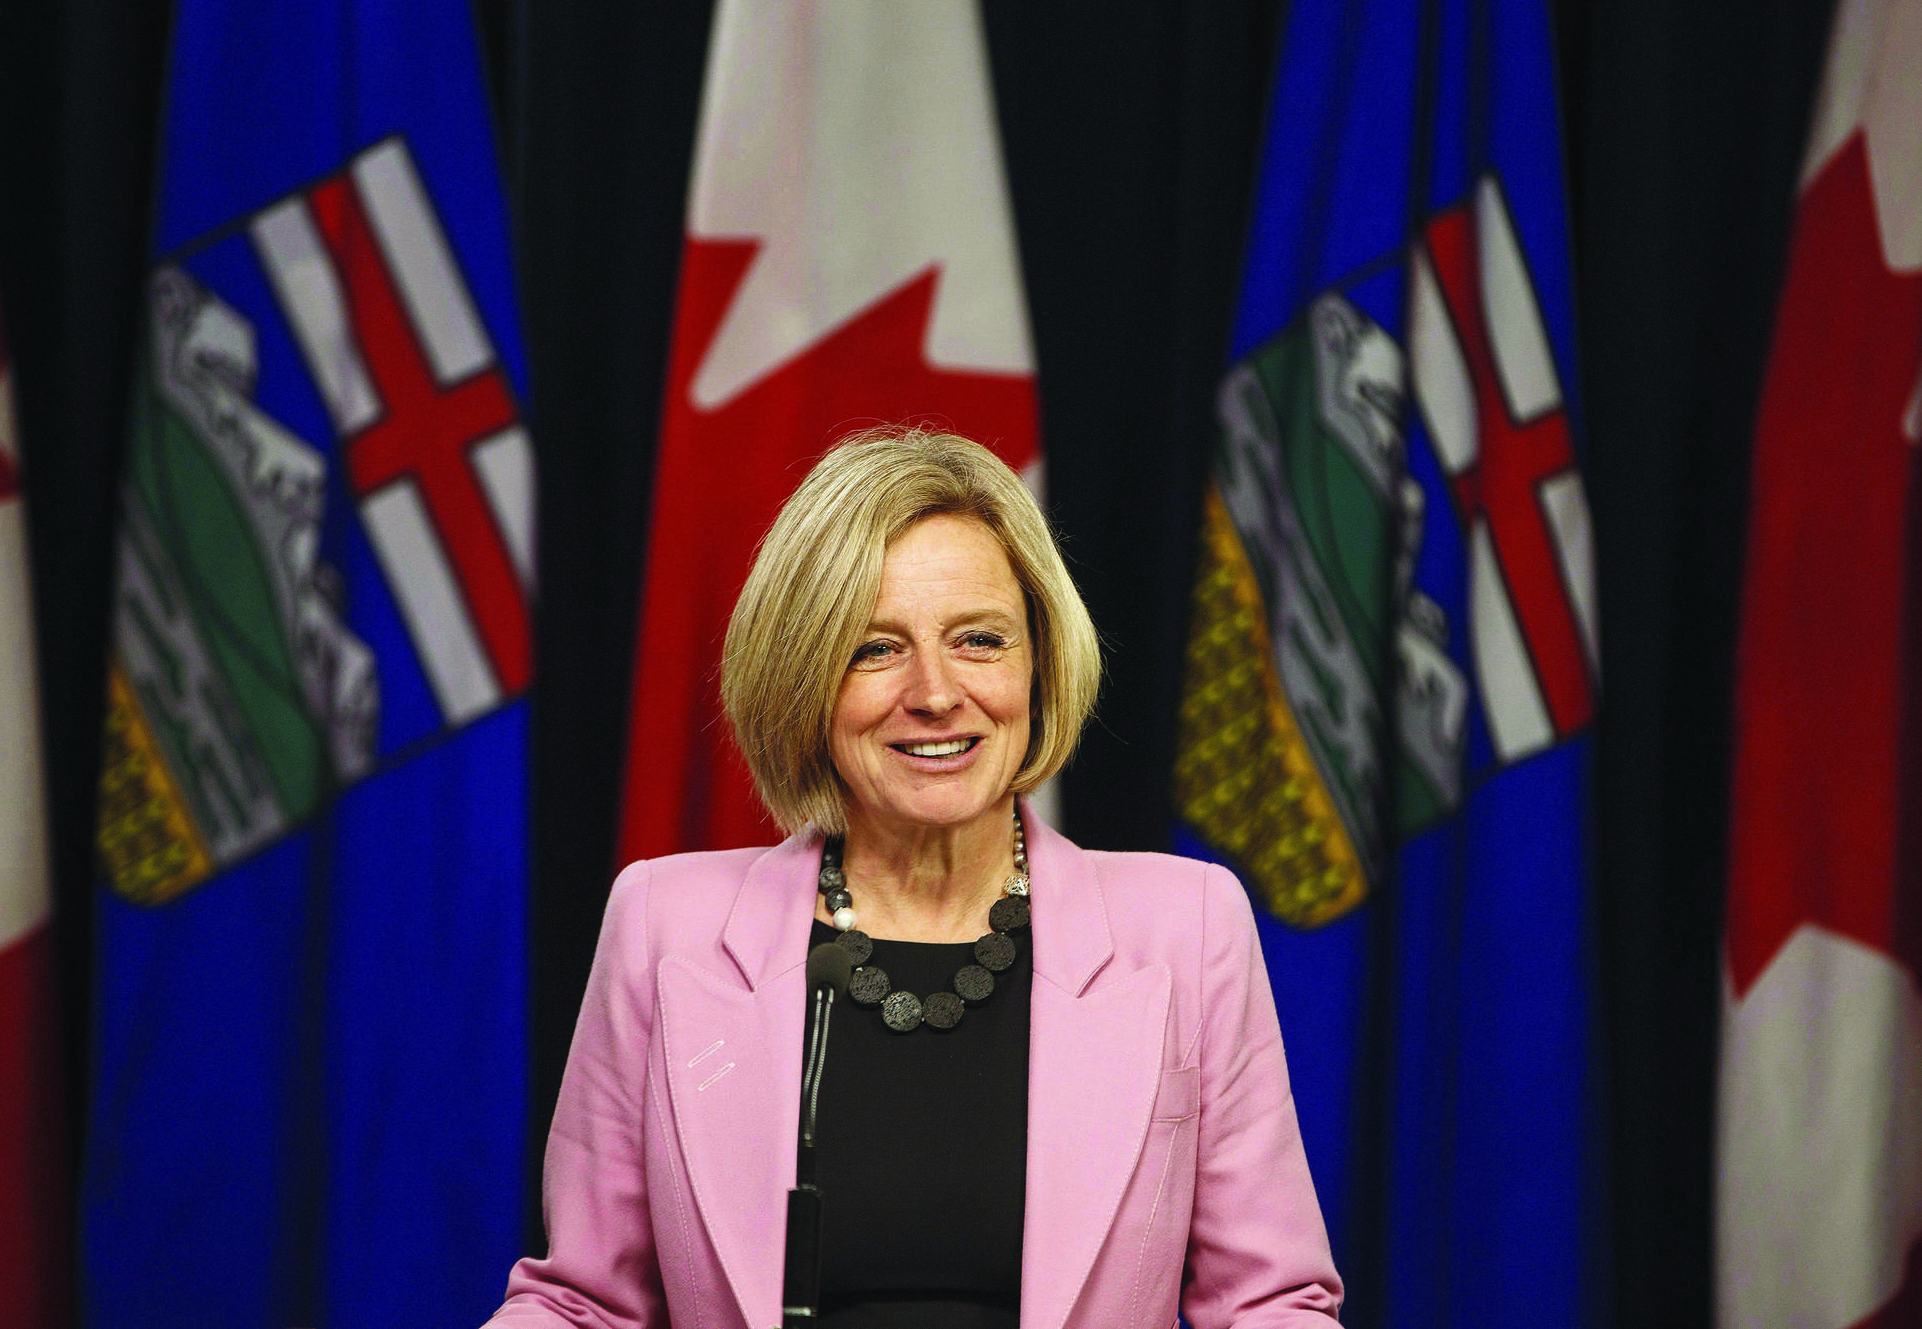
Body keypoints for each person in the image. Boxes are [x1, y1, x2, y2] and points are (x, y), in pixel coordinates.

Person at [484, 429, 1343, 1328]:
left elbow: (1270, 1302)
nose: (935, 692)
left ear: (1040, 663)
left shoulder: (1188, 926)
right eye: (874, 648)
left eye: (979, 639)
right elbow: (582, 1302)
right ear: (803, 681)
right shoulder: (667, 925)